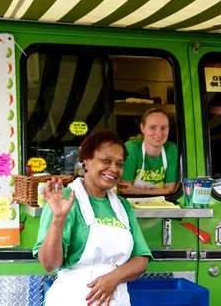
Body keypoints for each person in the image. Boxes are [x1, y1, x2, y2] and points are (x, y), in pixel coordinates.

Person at [33, 129, 152, 306]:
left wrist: (113, 278)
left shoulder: (123, 206)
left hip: (117, 300)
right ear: (86, 161)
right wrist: (58, 219)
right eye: (106, 160)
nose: (113, 169)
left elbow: (141, 259)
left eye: (119, 164)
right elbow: (49, 264)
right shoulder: (66, 199)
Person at [118, 108, 179, 196]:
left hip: (161, 204)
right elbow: (124, 189)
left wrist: (136, 190)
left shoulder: (171, 149)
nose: (159, 133)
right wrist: (161, 191)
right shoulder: (131, 148)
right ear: (142, 128)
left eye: (163, 128)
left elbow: (170, 189)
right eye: (152, 128)